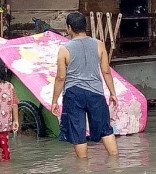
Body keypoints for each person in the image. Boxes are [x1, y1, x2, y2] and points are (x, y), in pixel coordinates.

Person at [51, 12, 118, 158]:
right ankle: (115, 164)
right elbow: (106, 72)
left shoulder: (64, 49)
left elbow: (61, 77)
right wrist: (113, 93)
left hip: (73, 94)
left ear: (69, 28)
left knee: (78, 132)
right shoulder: (99, 44)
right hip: (96, 94)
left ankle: (83, 168)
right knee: (105, 130)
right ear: (85, 26)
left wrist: (54, 100)